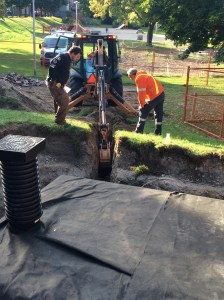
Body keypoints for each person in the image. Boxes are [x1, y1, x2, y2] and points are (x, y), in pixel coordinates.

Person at [46, 46, 82, 125]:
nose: (77, 59)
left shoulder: (68, 59)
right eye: (77, 56)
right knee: (65, 101)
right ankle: (60, 120)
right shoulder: (63, 56)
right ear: (72, 53)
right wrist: (54, 79)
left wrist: (63, 82)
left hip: (59, 84)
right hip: (55, 83)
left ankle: (58, 118)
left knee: (59, 101)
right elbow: (52, 64)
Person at [127, 68, 165, 135]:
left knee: (143, 111)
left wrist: (141, 105)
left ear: (132, 75)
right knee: (158, 113)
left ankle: (138, 132)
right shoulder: (144, 74)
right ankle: (158, 132)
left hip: (154, 96)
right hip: (161, 94)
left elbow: (141, 93)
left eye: (130, 77)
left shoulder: (139, 78)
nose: (130, 79)